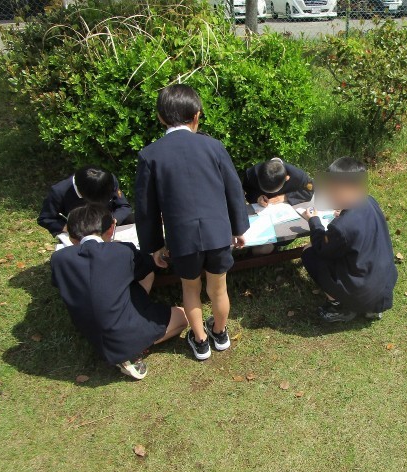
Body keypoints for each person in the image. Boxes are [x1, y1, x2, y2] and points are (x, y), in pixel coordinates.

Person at [135, 84, 249, 361]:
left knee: (190, 288)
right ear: (196, 115)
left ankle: (200, 341)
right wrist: (239, 228)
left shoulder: (150, 155)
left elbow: (146, 208)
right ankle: (220, 333)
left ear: (160, 117)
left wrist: (154, 246)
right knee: (218, 288)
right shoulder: (214, 146)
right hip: (218, 233)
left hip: (182, 238)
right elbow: (233, 190)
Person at [50, 204, 189, 380]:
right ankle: (133, 351)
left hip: (92, 333)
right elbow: (147, 266)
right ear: (111, 229)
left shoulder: (59, 259)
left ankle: (134, 326)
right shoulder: (122, 251)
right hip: (124, 334)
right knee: (183, 317)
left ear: (72, 237)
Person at [300, 157, 398, 322]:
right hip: (383, 288)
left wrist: (314, 220)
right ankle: (372, 309)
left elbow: (321, 247)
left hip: (363, 292)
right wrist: (344, 213)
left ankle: (339, 306)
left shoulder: (341, 227)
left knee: (309, 252)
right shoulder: (369, 201)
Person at [38, 165, 133, 236]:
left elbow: (124, 206)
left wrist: (113, 220)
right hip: (79, 233)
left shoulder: (108, 181)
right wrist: (70, 228)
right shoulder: (59, 192)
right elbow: (45, 219)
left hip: (108, 226)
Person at [242, 157, 313, 207]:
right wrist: (257, 197)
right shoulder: (251, 174)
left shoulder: (298, 176)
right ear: (258, 176)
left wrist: (286, 197)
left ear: (287, 178)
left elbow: (309, 191)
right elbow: (247, 191)